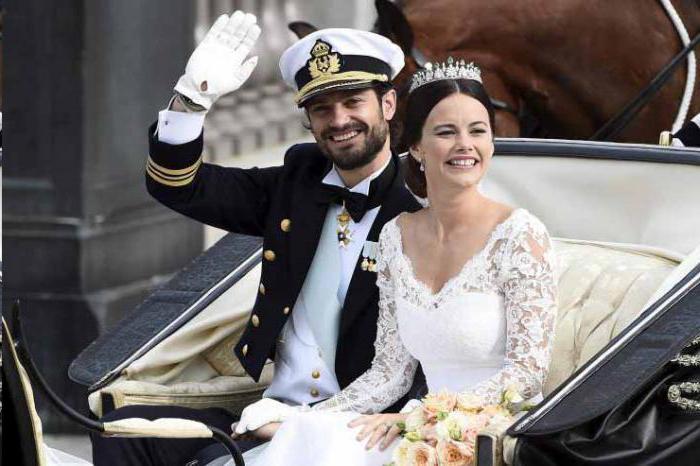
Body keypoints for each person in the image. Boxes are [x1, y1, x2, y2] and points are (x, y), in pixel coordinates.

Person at [90, 11, 425, 466]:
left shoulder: (420, 206)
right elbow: (177, 184)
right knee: (122, 435)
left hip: (358, 429)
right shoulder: (296, 182)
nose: (339, 119)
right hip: (267, 409)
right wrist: (192, 101)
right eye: (322, 108)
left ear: (387, 104)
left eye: (353, 102)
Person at [214, 58, 559, 466]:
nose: (464, 145)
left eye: (478, 131)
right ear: (415, 146)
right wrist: (308, 419)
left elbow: (524, 377)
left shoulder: (520, 235)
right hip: (411, 430)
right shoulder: (397, 234)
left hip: (493, 436)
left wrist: (421, 417)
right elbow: (389, 372)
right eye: (446, 132)